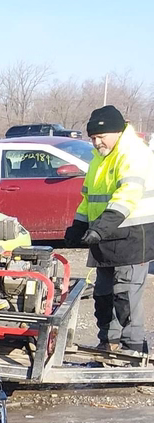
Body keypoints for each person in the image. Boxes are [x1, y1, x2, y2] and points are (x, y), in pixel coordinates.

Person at [64, 105, 154, 353]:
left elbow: (128, 194)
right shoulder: (100, 158)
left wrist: (100, 228)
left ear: (117, 131)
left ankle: (133, 347)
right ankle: (109, 342)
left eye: (100, 137)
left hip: (132, 236)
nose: (96, 143)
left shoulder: (134, 154)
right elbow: (88, 198)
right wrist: (79, 225)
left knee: (126, 295)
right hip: (107, 236)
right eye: (93, 138)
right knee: (103, 295)